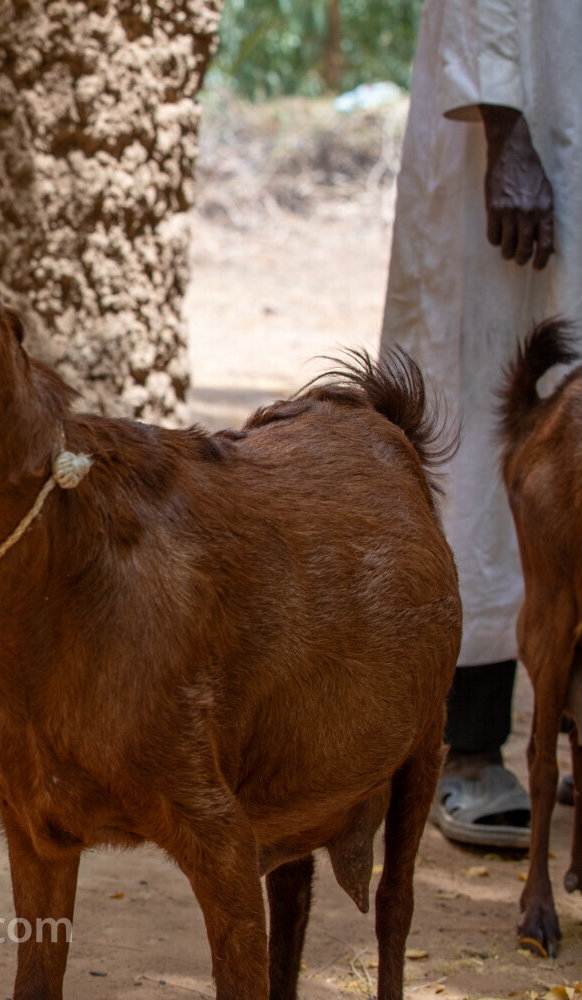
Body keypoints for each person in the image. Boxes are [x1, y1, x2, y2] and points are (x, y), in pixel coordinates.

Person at [381, 0, 580, 848]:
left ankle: (567, 739)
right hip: (516, 133)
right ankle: (467, 747)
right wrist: (504, 129)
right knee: (487, 423)